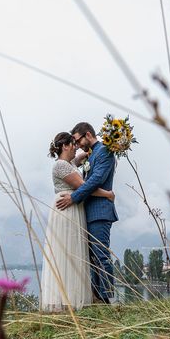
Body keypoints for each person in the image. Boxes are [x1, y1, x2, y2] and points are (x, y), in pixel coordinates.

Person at [40, 132, 115, 312]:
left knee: (76, 252)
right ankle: (67, 299)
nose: (76, 147)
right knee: (68, 252)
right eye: (73, 144)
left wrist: (103, 145)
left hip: (74, 209)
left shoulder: (68, 164)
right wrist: (107, 194)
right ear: (65, 146)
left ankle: (79, 296)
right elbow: (83, 186)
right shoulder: (61, 166)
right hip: (67, 209)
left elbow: (84, 155)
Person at [56, 122, 118, 304]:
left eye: (77, 140)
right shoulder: (91, 154)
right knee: (92, 259)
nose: (77, 144)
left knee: (101, 255)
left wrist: (73, 198)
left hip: (100, 211)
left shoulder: (105, 152)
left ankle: (108, 298)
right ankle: (97, 297)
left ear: (88, 135)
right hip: (88, 212)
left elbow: (95, 180)